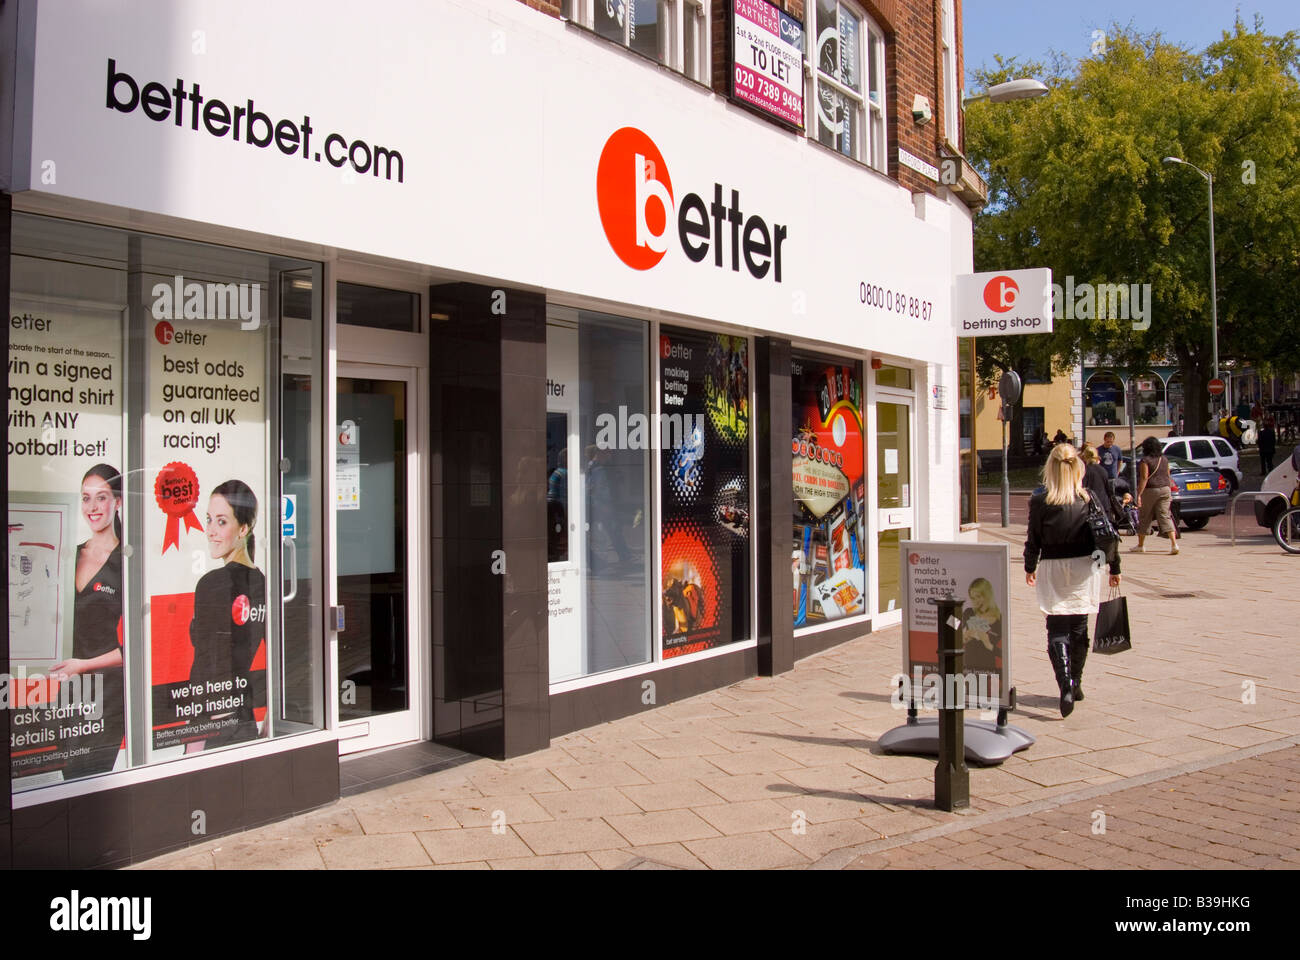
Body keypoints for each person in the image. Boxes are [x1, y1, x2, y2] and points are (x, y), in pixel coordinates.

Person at [1024, 444, 1122, 717]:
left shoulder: (1040, 500)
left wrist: (1029, 565)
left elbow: (1033, 538)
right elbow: (1107, 534)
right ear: (1077, 468)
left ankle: (1064, 683)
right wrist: (1114, 567)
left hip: (1052, 566)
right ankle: (1075, 682)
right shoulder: (1088, 498)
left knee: (1056, 626)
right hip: (1084, 566)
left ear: (1050, 469)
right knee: (1079, 627)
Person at [51, 464, 126, 778]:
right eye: (86, 498)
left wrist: (82, 665)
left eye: (102, 498)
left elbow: (135, 647)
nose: (93, 507)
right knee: (68, 777)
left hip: (106, 695)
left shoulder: (126, 561)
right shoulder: (69, 554)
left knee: (88, 778)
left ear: (118, 502)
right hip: (67, 692)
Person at [186, 480, 266, 752]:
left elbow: (208, 663)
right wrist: (267, 725)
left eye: (221, 522)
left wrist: (198, 736)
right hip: (245, 716)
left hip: (215, 722)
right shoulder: (262, 582)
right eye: (209, 520)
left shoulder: (214, 583)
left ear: (243, 528)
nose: (210, 531)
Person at [1132, 436, 1178, 554]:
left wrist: (1138, 494)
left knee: (1144, 516)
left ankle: (1141, 545)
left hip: (1151, 490)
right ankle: (1174, 544)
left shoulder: (1145, 460)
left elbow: (1144, 478)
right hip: (1166, 489)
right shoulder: (1164, 459)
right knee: (1165, 515)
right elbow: (1168, 475)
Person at [961, 577, 1002, 674]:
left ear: (987, 595)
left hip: (987, 668)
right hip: (968, 666)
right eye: (973, 598)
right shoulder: (968, 613)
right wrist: (963, 637)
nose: (975, 601)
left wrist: (988, 644)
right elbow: (953, 626)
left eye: (978, 596)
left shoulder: (999, 619)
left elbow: (1004, 654)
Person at [1081, 445, 1122, 526]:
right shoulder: (1103, 470)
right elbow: (1108, 490)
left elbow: (1082, 488)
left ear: (1085, 456)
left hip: (1089, 507)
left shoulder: (1084, 471)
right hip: (1103, 506)